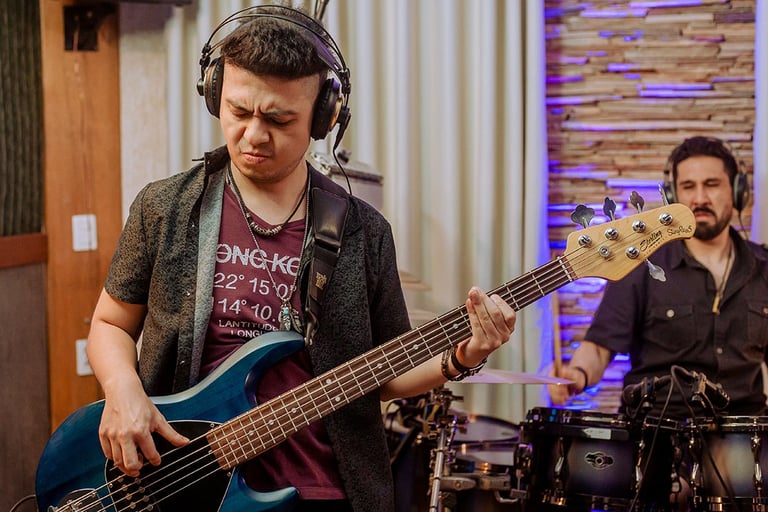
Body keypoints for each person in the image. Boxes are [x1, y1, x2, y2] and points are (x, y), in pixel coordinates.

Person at [85, 6, 516, 512]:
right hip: (182, 485)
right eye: (238, 111)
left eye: (278, 119)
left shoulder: (363, 232)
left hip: (323, 491)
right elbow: (110, 323)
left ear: (322, 117)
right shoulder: (165, 208)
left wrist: (464, 354)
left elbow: (389, 374)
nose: (253, 135)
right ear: (214, 93)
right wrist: (122, 391)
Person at [549, 135, 768, 418]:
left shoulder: (763, 267)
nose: (700, 198)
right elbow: (599, 348)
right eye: (688, 187)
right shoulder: (641, 263)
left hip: (743, 435)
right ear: (674, 196)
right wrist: (575, 375)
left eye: (711, 185)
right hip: (657, 435)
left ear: (737, 192)